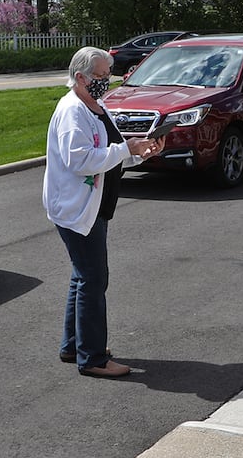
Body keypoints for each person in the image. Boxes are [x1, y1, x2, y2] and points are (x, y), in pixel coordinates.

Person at [43, 46, 164, 379]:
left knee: (83, 276)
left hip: (94, 206)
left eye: (107, 76)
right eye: (99, 76)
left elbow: (111, 149)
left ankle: (75, 345)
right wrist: (127, 148)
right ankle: (92, 357)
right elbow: (79, 159)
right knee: (94, 279)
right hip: (76, 208)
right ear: (80, 77)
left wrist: (140, 150)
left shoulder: (95, 106)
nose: (104, 82)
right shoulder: (72, 111)